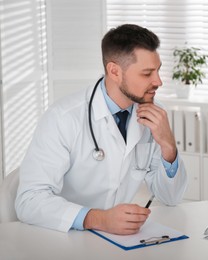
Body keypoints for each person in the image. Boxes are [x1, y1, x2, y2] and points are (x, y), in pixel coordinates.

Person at [15, 24, 188, 235]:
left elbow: (171, 198)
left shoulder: (154, 115)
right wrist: (98, 219)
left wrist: (168, 145)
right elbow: (29, 201)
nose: (158, 81)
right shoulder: (63, 118)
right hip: (64, 237)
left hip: (118, 240)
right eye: (147, 74)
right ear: (114, 71)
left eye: (158, 70)